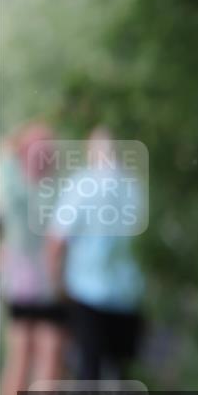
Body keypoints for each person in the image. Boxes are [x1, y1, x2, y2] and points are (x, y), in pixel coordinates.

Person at [48, 126, 146, 381]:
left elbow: (58, 236)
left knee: (89, 370)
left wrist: (55, 280)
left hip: (88, 291)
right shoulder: (135, 188)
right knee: (123, 373)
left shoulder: (82, 184)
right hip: (129, 294)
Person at [0, 122, 69, 395]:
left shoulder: (58, 188)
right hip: (23, 286)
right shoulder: (9, 183)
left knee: (50, 357)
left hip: (53, 287)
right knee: (21, 356)